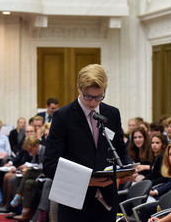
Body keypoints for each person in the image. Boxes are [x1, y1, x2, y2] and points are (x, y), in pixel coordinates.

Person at [43, 64, 135, 222]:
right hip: (74, 203)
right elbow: (50, 165)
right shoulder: (62, 117)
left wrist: (128, 169)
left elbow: (120, 150)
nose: (93, 102)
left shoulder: (112, 114)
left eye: (99, 97)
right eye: (88, 96)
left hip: (106, 201)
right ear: (78, 87)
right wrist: (86, 180)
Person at [0, 125, 37, 213]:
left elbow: (34, 162)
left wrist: (19, 168)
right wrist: (11, 164)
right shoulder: (25, 142)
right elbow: (20, 156)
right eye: (27, 132)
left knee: (10, 177)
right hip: (23, 167)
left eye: (31, 132)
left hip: (30, 170)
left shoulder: (37, 144)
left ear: (35, 132)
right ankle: (5, 202)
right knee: (4, 175)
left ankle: (13, 206)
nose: (29, 134)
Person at [10, 135, 46, 221]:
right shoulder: (35, 152)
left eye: (31, 151)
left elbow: (45, 167)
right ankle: (25, 212)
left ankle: (18, 196)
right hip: (36, 177)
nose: (30, 153)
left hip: (44, 176)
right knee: (28, 183)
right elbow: (34, 164)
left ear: (36, 145)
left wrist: (29, 168)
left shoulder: (45, 151)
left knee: (29, 171)